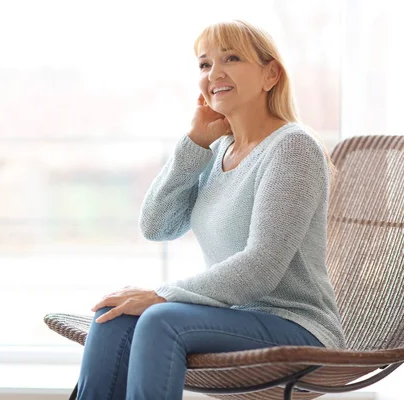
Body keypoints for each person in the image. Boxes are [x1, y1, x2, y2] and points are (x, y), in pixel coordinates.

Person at [75, 19, 347, 400]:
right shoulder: (217, 149)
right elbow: (156, 226)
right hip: (231, 316)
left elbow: (261, 267)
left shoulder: (292, 147)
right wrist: (194, 144)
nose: (214, 73)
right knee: (112, 319)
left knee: (160, 318)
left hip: (297, 326)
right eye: (204, 64)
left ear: (270, 74)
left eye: (231, 58)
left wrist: (162, 294)